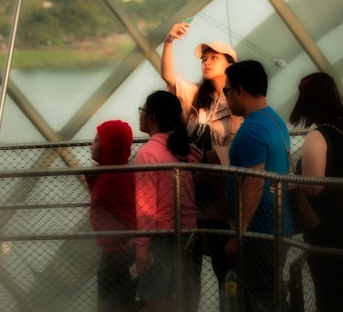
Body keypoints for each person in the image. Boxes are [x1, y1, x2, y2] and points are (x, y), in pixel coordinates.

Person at [161, 21, 241, 291]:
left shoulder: (239, 103)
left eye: (214, 58)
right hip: (197, 191)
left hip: (227, 190)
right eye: (205, 59)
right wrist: (168, 41)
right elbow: (169, 76)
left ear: (230, 64)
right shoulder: (195, 97)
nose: (207, 63)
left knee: (230, 267)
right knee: (200, 263)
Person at [289, 72, 343, 312]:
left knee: (328, 287)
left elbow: (314, 187)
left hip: (327, 224)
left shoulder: (317, 136)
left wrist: (294, 178)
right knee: (340, 283)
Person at [223, 60, 293, 312]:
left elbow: (255, 181)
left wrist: (238, 234)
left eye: (226, 91)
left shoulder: (251, 129)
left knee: (261, 302)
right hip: (277, 224)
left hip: (259, 231)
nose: (226, 97)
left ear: (239, 90)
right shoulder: (273, 121)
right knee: (270, 295)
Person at [133, 91, 200, 312]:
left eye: (142, 110)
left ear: (152, 116)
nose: (140, 114)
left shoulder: (149, 154)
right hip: (188, 236)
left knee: (154, 301)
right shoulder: (183, 152)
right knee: (177, 298)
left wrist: (142, 250)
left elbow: (146, 207)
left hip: (161, 239)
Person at [85, 120, 138, 312]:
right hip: (118, 254)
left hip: (117, 257)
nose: (92, 144)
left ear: (110, 145)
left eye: (98, 140)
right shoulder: (115, 173)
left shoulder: (112, 177)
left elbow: (132, 217)